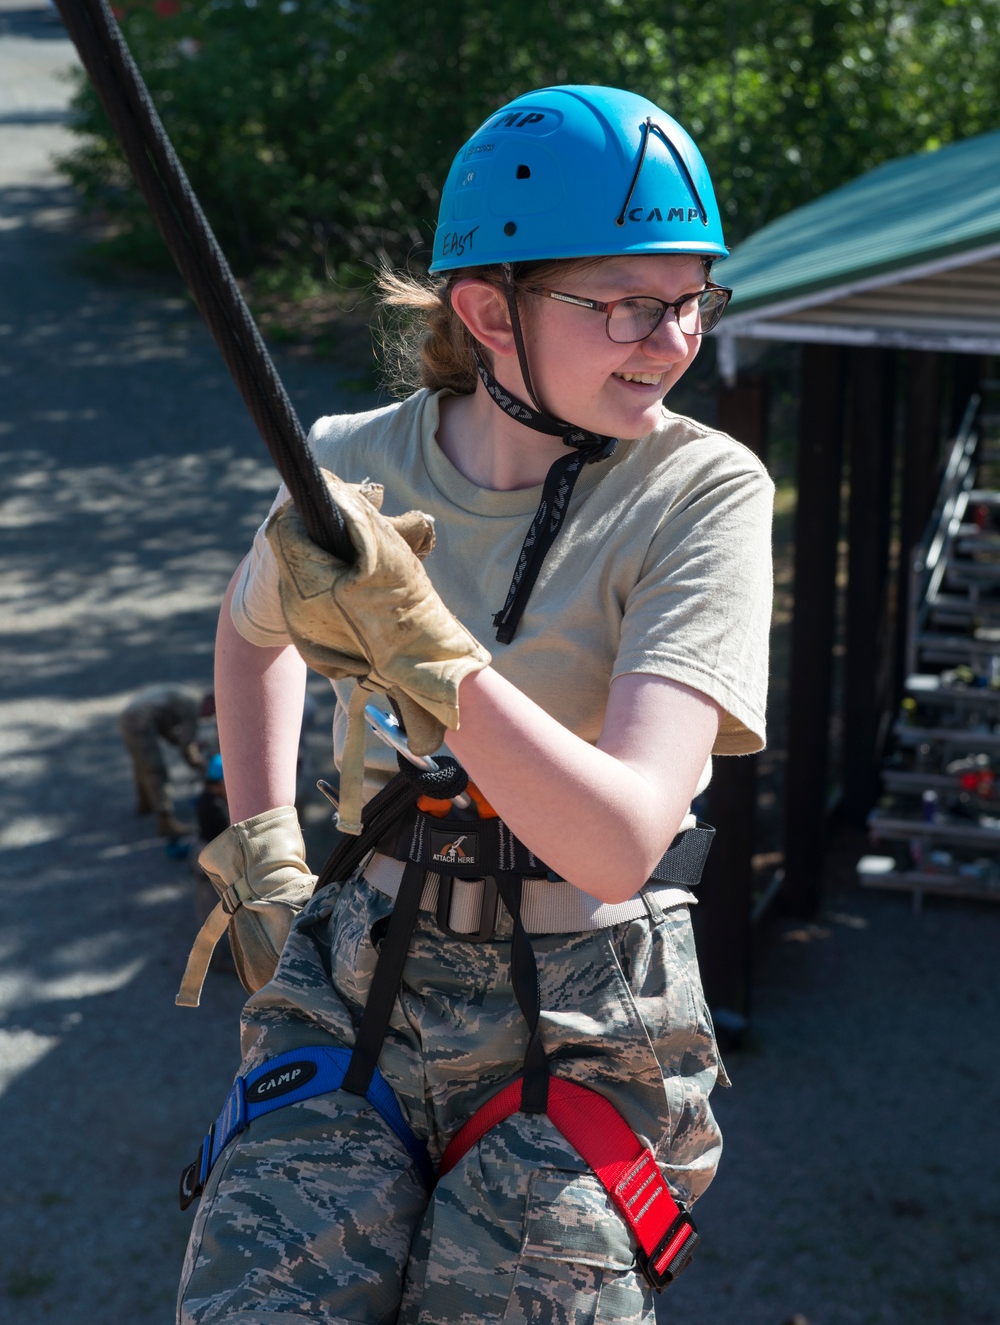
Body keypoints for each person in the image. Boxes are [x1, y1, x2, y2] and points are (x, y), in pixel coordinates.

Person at [177, 85, 773, 1324]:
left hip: (588, 1009)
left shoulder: (700, 493)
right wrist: (263, 856)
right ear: (489, 312)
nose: (671, 342)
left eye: (690, 300)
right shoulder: (352, 458)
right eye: (626, 304)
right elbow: (252, 635)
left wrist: (423, 646)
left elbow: (617, 837)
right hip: (361, 972)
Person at [119, 684, 214, 841]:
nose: (208, 718)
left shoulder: (187, 695)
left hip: (129, 716)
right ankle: (166, 822)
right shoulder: (192, 707)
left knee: (141, 764)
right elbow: (186, 746)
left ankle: (145, 803)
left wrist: (183, 742)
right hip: (140, 721)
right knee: (154, 770)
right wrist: (200, 765)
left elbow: (168, 730)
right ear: (210, 704)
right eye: (211, 713)